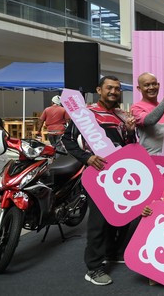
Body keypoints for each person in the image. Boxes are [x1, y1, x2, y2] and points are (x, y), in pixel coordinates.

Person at [62, 76, 136, 286]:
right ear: (99, 89)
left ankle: (111, 253)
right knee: (98, 223)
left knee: (120, 216)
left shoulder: (122, 115)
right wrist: (87, 158)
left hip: (120, 177)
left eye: (117, 89)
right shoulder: (86, 113)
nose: (114, 91)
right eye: (109, 88)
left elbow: (129, 145)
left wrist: (130, 132)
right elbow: (67, 139)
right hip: (98, 176)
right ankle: (93, 267)